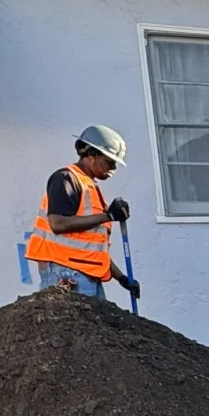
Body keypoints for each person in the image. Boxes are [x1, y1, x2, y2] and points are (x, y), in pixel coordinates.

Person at [25, 124, 138, 300]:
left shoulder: (89, 187)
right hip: (66, 272)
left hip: (85, 273)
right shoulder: (66, 179)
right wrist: (108, 216)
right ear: (91, 155)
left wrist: (121, 278)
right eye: (109, 161)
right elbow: (58, 224)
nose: (113, 168)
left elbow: (90, 250)